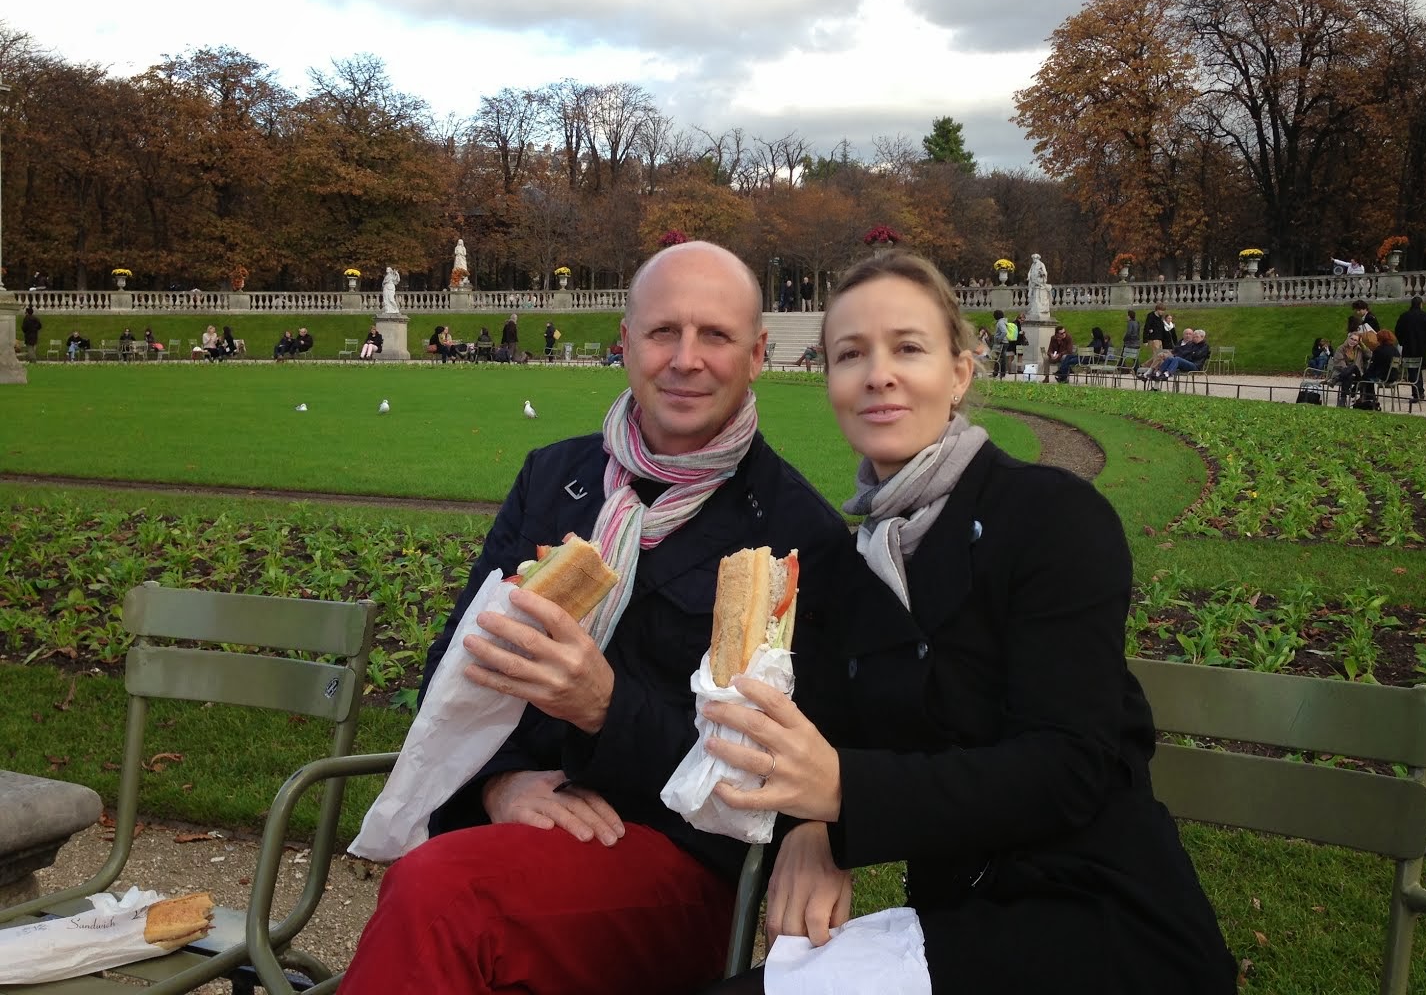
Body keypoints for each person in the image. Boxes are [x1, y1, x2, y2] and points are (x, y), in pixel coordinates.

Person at [695, 252, 1235, 994]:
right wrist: (811, 829)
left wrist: (841, 797)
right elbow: (821, 737)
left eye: (907, 348)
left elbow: (1066, 769)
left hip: (1103, 924)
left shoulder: (1053, 518)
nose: (878, 374)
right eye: (851, 355)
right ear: (830, 384)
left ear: (960, 372)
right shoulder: (847, 566)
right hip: (956, 926)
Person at [338, 242, 852, 995]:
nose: (686, 359)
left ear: (757, 355)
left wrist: (605, 707)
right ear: (624, 343)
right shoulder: (555, 476)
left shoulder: (793, 532)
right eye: (662, 332)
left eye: (715, 336)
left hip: (674, 857)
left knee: (446, 897)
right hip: (517, 831)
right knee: (445, 896)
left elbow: (758, 777)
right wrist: (498, 784)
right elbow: (458, 662)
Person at [1395, 297, 1426, 404]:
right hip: (1421, 347)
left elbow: (1398, 330)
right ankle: (1419, 390)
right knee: (1419, 368)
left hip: (1408, 346)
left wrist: (1402, 342)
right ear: (1421, 304)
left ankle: (1417, 392)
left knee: (1412, 370)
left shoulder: (1404, 316)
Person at [990, 310, 1010, 378]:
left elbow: (1004, 332)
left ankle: (1001, 373)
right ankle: (997, 373)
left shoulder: (1000, 322)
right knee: (998, 357)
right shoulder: (1003, 321)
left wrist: (999, 339)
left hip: (1002, 342)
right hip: (1004, 342)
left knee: (1000, 358)